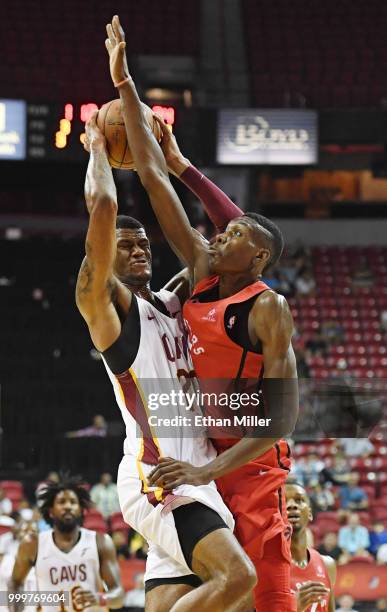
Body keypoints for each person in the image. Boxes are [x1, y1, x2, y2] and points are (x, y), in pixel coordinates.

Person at [104, 15, 298, 611]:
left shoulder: (266, 306)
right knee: (213, 592)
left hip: (247, 465)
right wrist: (129, 91)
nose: (221, 230)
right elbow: (158, 185)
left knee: (264, 600)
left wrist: (208, 474)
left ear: (257, 254)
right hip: (196, 456)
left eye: (234, 232)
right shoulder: (199, 273)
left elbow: (279, 423)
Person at [76, 19, 257, 611]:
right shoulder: (108, 312)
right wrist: (101, 150)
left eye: (143, 243)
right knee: (239, 580)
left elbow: (174, 200)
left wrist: (129, 90)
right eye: (126, 246)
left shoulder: (174, 301)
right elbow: (106, 203)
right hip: (162, 478)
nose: (140, 248)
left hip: (192, 475)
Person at [10, 474, 124, 611]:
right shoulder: (33, 545)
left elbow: (119, 596)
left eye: (73, 502)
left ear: (81, 510)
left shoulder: (100, 542)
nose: (68, 506)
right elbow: (15, 584)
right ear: (51, 511)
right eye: (62, 502)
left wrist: (100, 599)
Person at [286, 482, 336, 612]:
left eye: (299, 500)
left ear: (310, 513)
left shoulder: (327, 564)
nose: (291, 505)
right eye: (283, 501)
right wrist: (293, 608)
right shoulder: (266, 567)